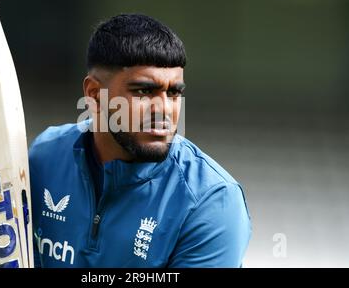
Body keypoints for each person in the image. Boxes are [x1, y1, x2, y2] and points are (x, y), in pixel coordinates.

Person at [29, 14, 251, 267]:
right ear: (94, 94)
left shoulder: (212, 201)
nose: (164, 110)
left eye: (174, 93)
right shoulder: (45, 157)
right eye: (144, 91)